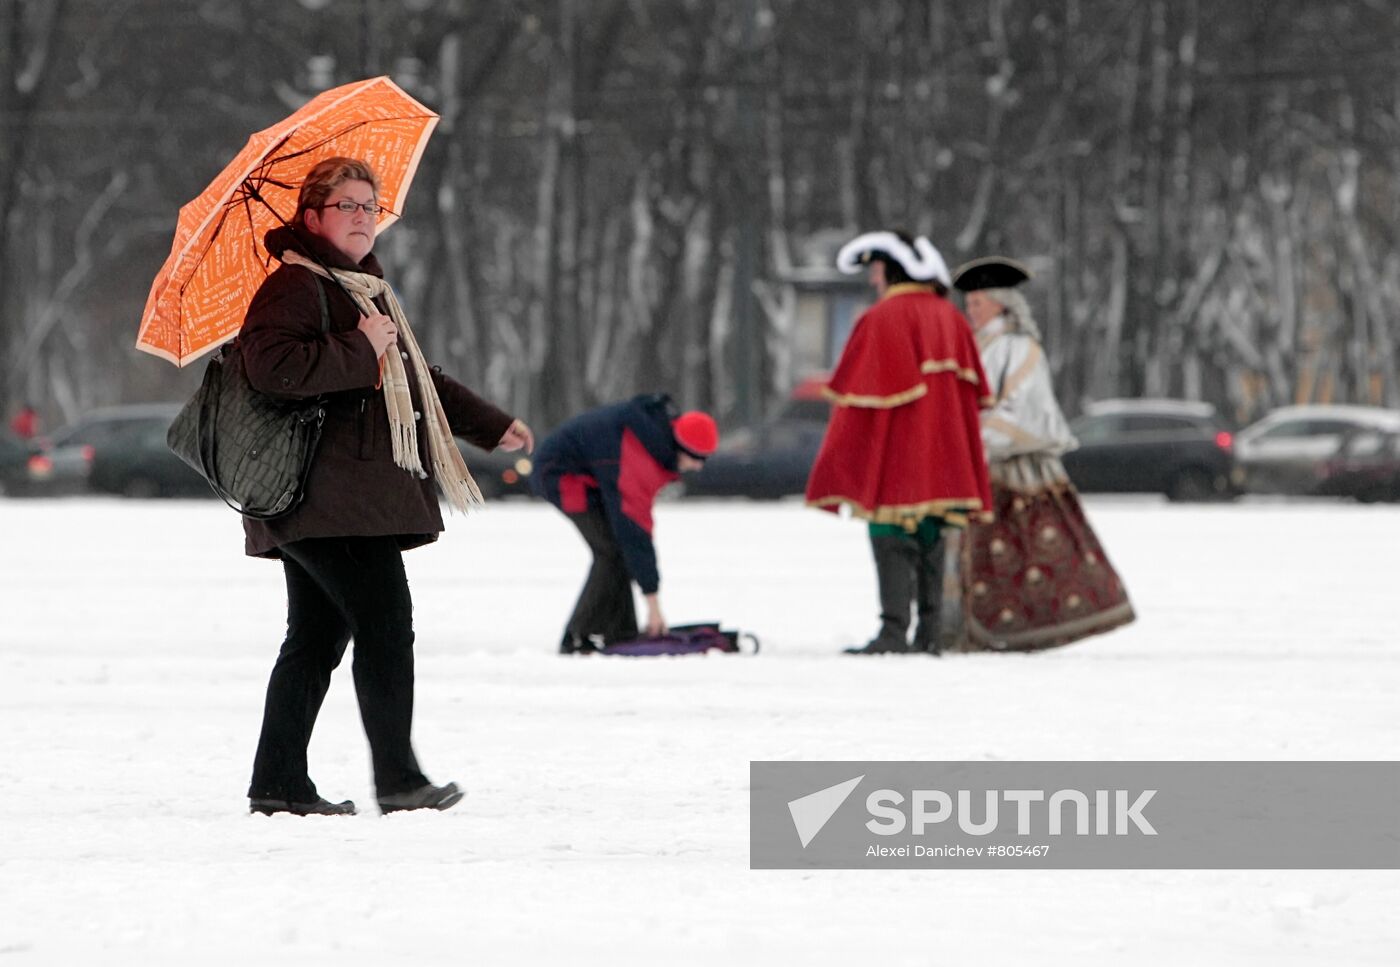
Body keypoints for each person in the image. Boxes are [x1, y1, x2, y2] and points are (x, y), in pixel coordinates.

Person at [238, 156, 534, 816]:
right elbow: (272, 369)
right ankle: (398, 780)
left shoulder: (361, 291)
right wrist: (360, 347)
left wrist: (494, 424)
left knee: (316, 639)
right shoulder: (295, 287)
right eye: (347, 206)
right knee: (384, 625)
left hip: (338, 498)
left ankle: (278, 783)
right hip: (325, 496)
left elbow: (416, 376)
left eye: (370, 208)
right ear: (312, 217)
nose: (363, 218)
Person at [805, 230, 994, 655]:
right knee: (932, 534)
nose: (874, 280)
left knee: (889, 529)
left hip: (899, 453)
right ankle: (928, 632)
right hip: (945, 457)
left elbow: (861, 401)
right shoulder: (951, 318)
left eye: (876, 270)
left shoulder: (882, 318)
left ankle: (893, 630)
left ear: (892, 269)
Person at [952, 256, 1134, 651]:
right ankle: (985, 627)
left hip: (1016, 465)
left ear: (1001, 304)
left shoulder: (1018, 347)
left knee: (1030, 548)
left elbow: (1024, 408)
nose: (972, 312)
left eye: (978, 304)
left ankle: (1032, 626)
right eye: (969, 305)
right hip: (981, 463)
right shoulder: (980, 345)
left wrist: (975, 437)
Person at [531, 394, 717, 654]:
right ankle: (576, 634)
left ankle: (620, 630)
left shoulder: (656, 439)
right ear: (680, 446)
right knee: (610, 551)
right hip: (559, 474)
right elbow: (636, 531)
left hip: (590, 473)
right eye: (697, 458)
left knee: (620, 548)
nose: (698, 467)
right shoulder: (641, 456)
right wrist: (653, 604)